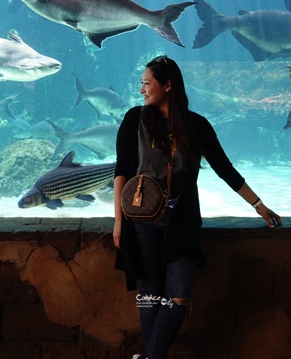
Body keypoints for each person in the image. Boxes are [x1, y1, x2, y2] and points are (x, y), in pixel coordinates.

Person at [113, 55, 281, 359]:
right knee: (149, 295)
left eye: (147, 84)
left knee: (178, 296)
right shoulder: (133, 119)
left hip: (183, 221)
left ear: (167, 86)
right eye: (142, 84)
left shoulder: (197, 125)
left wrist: (259, 205)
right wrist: (118, 221)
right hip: (140, 221)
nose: (142, 90)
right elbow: (121, 171)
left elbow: (225, 169)